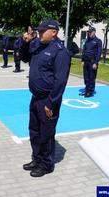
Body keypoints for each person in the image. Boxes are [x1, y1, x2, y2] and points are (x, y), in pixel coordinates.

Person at [20, 19, 71, 177]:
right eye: (39, 31)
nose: (40, 34)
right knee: (34, 131)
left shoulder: (60, 52)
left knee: (46, 134)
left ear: (54, 32)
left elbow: (60, 81)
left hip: (48, 100)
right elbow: (24, 57)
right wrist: (25, 42)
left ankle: (46, 164)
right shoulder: (38, 46)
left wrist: (51, 103)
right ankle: (37, 159)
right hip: (36, 98)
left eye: (43, 31)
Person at [80, 27, 102, 97]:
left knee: (91, 77)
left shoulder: (98, 41)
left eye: (90, 32)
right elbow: (84, 50)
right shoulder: (87, 40)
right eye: (88, 32)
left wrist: (96, 62)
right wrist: (82, 60)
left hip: (92, 62)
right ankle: (86, 90)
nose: (89, 33)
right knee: (86, 77)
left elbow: (99, 52)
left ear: (94, 32)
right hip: (86, 61)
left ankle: (90, 91)